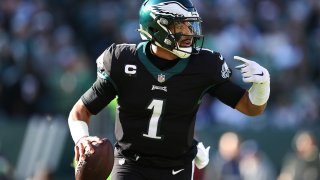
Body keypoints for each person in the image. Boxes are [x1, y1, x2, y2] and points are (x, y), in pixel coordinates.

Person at [68, 0, 270, 179]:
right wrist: (82, 138)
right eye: (181, 25)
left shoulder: (204, 65)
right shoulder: (123, 61)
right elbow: (80, 112)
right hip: (130, 163)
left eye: (190, 24)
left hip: (176, 167)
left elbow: (251, 108)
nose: (190, 32)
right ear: (157, 28)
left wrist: (261, 86)